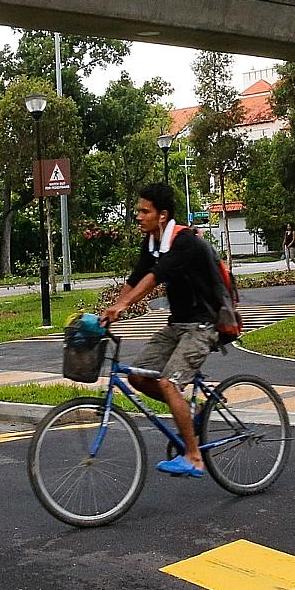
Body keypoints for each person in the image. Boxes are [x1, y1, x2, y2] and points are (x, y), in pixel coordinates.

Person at [102, 182, 225, 478]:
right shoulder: (152, 242)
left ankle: (194, 457)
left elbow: (154, 278)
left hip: (203, 325)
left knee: (169, 382)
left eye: (145, 211)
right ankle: (192, 412)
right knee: (138, 376)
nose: (138, 216)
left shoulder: (183, 242)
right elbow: (136, 277)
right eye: (138, 211)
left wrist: (124, 306)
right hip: (177, 325)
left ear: (162, 214)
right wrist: (110, 310)